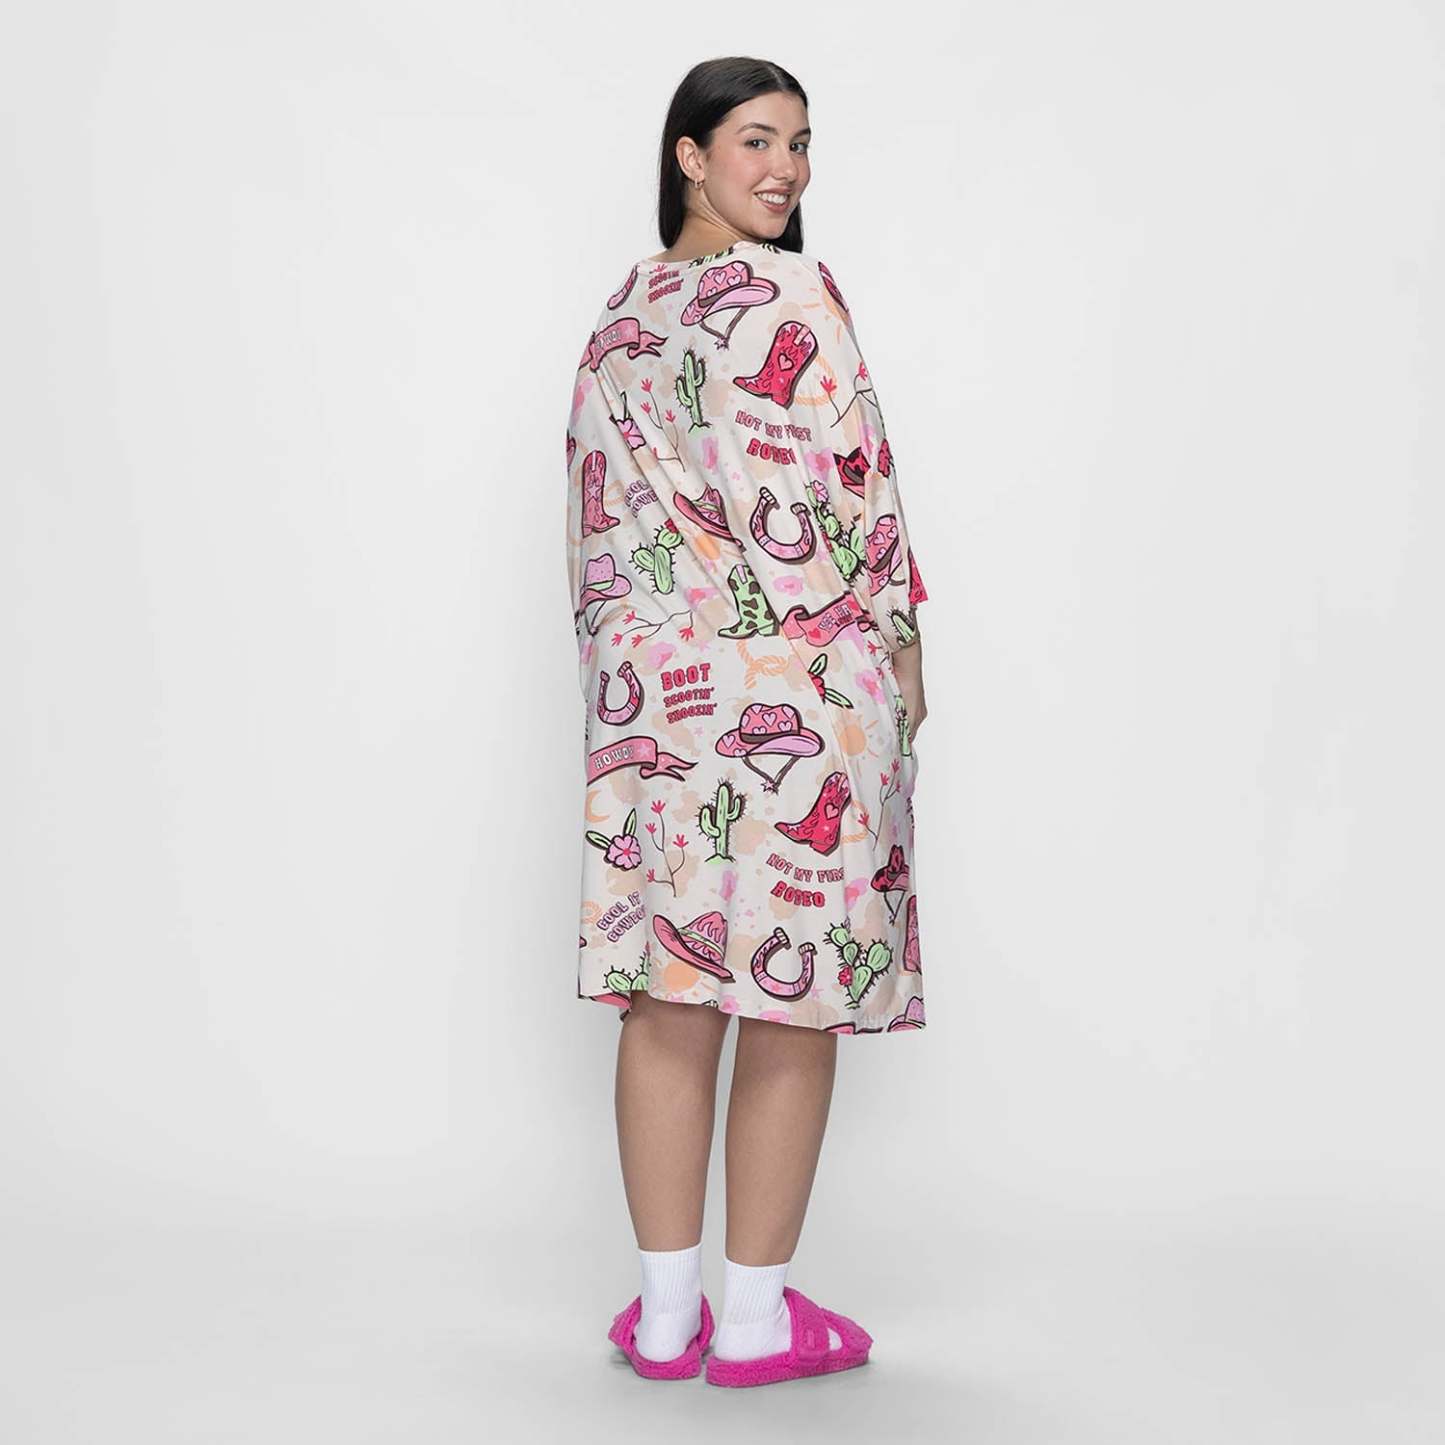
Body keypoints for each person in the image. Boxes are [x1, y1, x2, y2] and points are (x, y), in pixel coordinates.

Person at [563, 57, 931, 1387]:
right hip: (804, 688)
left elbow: (593, 529)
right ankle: (760, 1321)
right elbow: (852, 483)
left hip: (656, 697)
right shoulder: (791, 293)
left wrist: (625, 675)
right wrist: (903, 652)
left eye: (800, 144)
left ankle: (666, 1317)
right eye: (758, 140)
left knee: (668, 996)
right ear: (690, 154)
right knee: (790, 1002)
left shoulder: (620, 316)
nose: (786, 169)